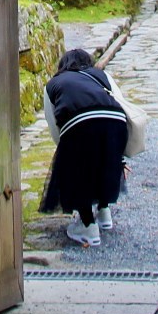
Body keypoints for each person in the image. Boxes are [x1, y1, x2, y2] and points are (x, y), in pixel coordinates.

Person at [40, 49, 128, 245]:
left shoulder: (53, 84)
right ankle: (104, 214)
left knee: (78, 171)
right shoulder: (102, 75)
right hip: (116, 122)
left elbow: (56, 129)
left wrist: (67, 156)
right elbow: (120, 101)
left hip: (78, 124)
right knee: (105, 162)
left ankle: (88, 226)